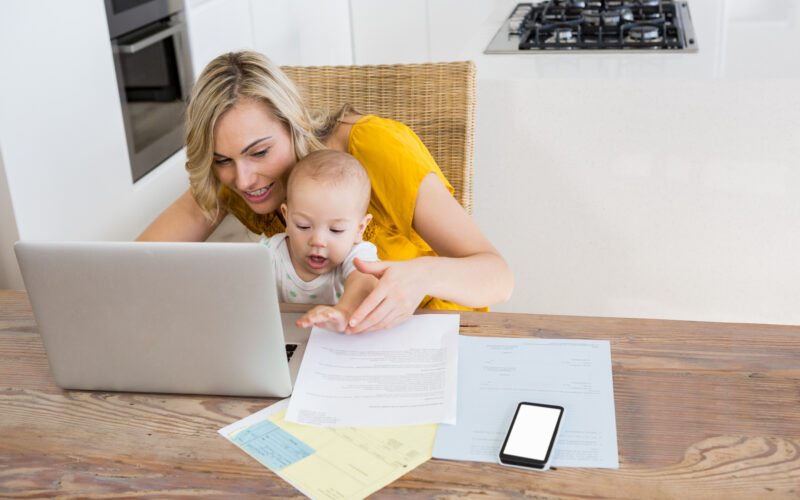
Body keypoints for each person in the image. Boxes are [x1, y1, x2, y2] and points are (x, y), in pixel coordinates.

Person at [138, 50, 513, 334]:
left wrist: (423, 275)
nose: (245, 179)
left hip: (436, 330)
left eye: (260, 152)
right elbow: (135, 264)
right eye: (222, 159)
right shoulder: (234, 177)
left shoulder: (375, 146)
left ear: (293, 125)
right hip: (330, 341)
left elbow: (498, 276)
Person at [265, 149, 379, 332]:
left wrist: (344, 312)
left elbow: (365, 282)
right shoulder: (269, 252)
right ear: (287, 218)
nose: (317, 241)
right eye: (303, 226)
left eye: (336, 230)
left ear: (360, 229)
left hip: (339, 343)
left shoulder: (357, 253)